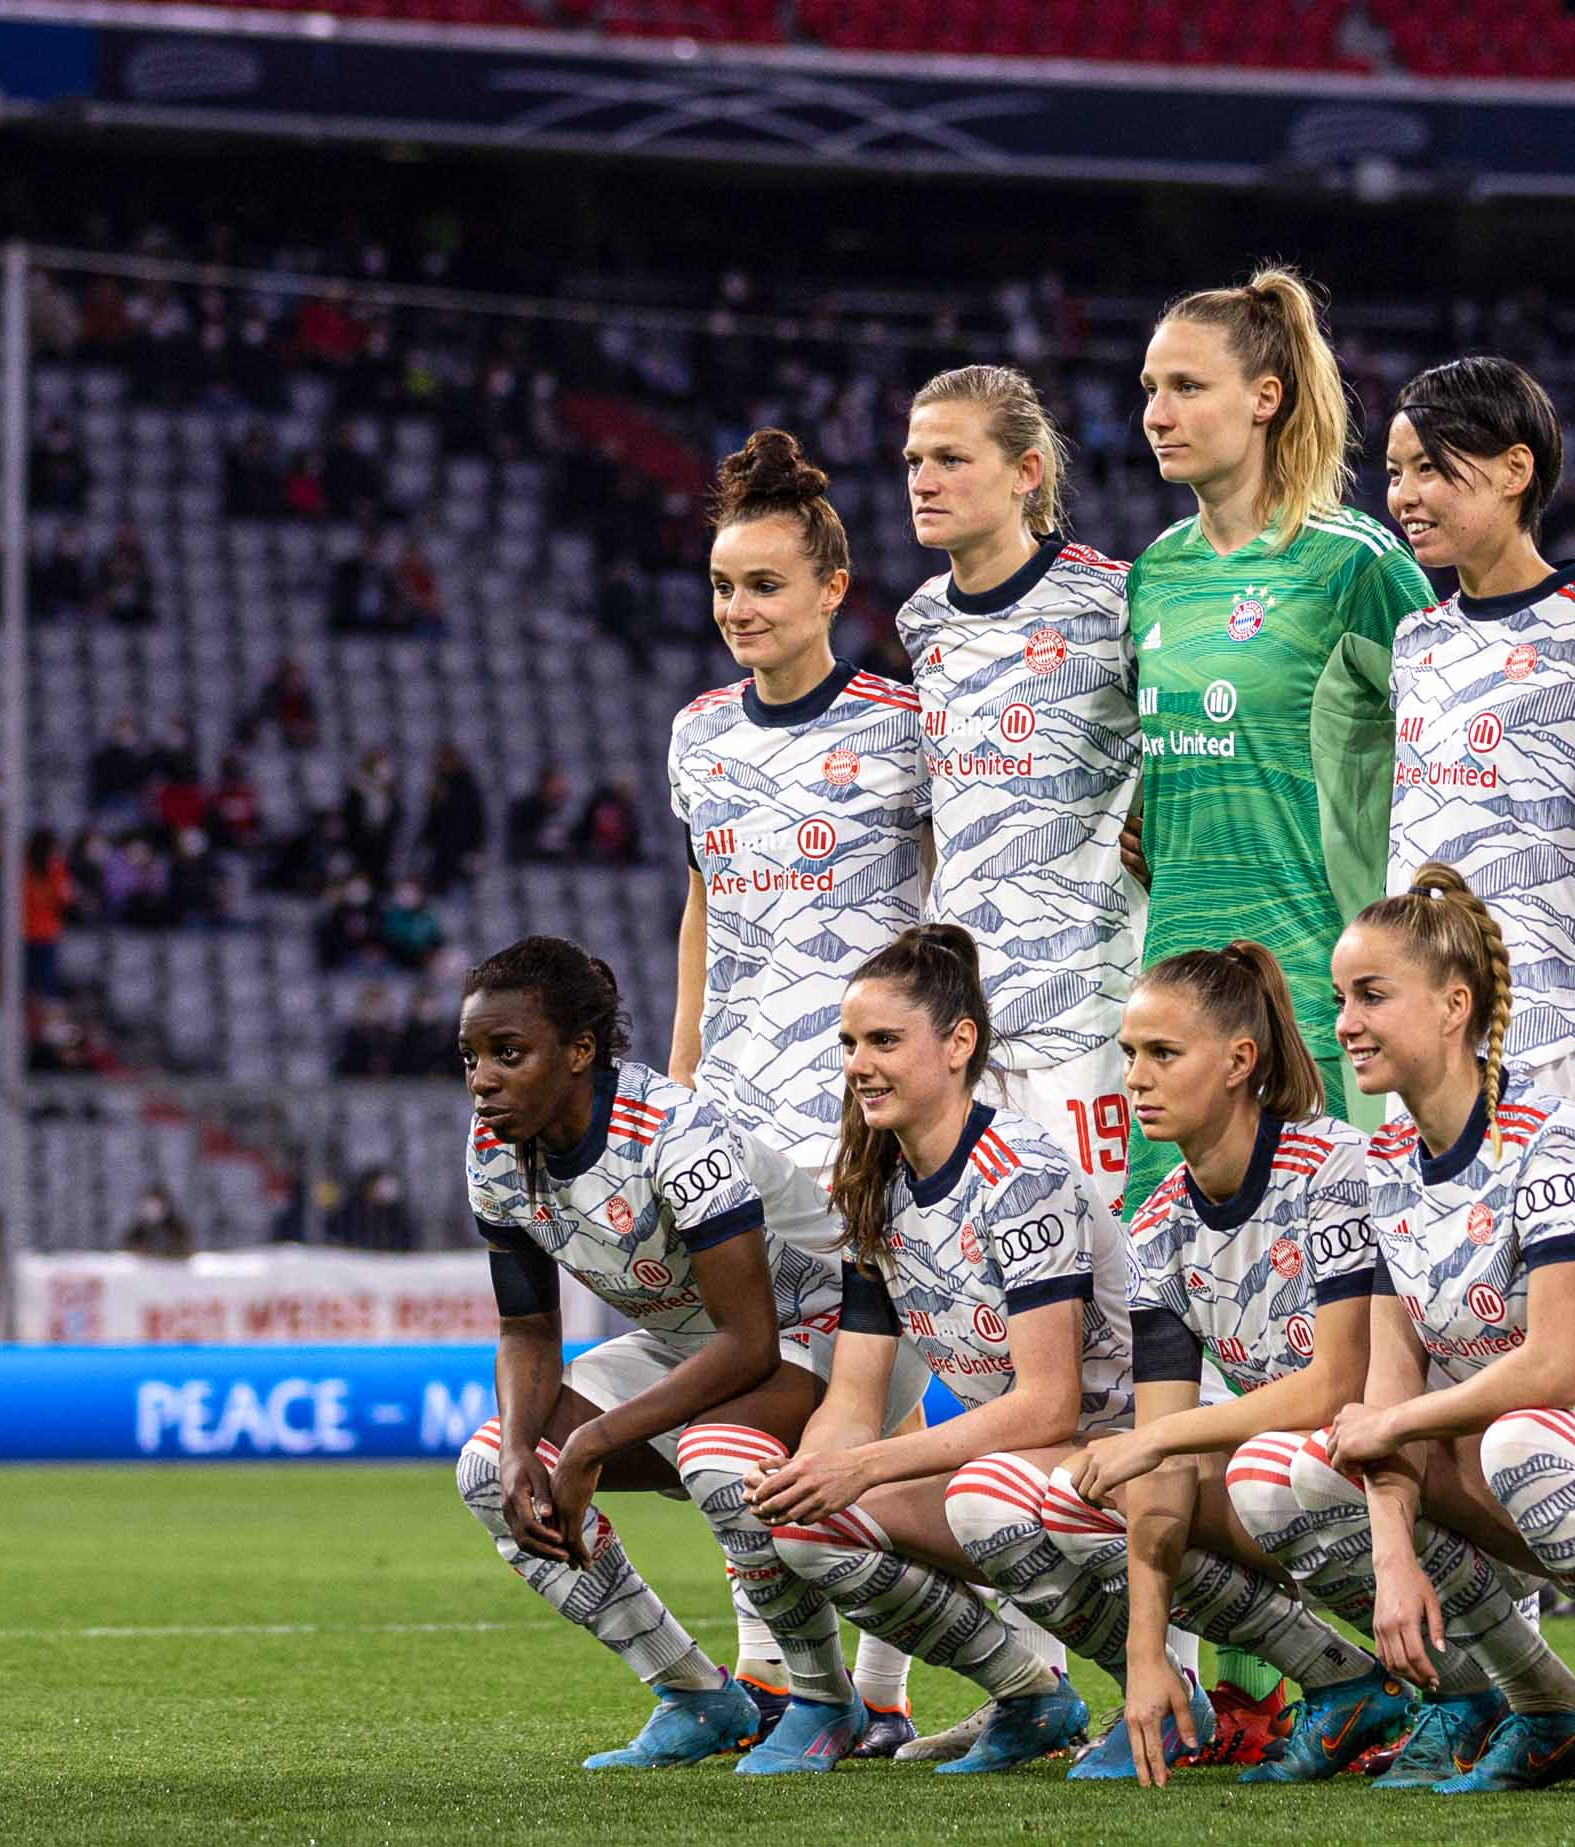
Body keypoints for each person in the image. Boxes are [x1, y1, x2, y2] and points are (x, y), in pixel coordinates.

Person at [967, 940, 1411, 1786]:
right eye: (1131, 1053)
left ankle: (1508, 1697)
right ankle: (1346, 1683)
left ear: (1241, 1060)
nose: (1136, 1076)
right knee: (1080, 1496)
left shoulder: (1335, 1167)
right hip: (1315, 1474)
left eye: (1163, 1053)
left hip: (1417, 1461)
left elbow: (1339, 1386)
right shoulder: (1158, 1225)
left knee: (1274, 1470)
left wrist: (1158, 1441)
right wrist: (1146, 1655)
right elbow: (1162, 1450)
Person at [1242, 865, 1575, 1794]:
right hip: (1519, 1447)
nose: (1344, 1023)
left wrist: (1402, 1424)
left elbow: (1556, 1364)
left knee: (1520, 1438)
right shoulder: (1384, 1160)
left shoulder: (1550, 1138)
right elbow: (1388, 1387)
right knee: (1295, 1470)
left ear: (1455, 1004)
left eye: (1373, 995)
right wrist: (1390, 1560)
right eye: (1341, 998)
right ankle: (1544, 1707)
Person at [663, 426, 937, 1752]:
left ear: (834, 590)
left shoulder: (903, 729)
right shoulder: (697, 736)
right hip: (735, 1114)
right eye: (723, 587)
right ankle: (773, 1674)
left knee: (878, 1393)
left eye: (764, 585)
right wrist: (678, 1077)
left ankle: (880, 1691)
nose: (737, 610)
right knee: (751, 1390)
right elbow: (706, 905)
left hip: (865, 1109)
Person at [447, 935, 871, 1773]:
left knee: (723, 1463)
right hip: (694, 1342)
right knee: (490, 1470)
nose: (482, 1078)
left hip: (834, 1329)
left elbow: (750, 1341)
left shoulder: (676, 1129)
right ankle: (698, 1696)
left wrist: (592, 1442)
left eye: (507, 1052)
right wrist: (528, 1445)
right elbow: (528, 1329)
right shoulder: (492, 1147)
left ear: (580, 1052)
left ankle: (826, 1701)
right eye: (470, 1056)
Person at [745, 925, 1130, 1776]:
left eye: (884, 1040)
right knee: (813, 1530)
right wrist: (807, 1474)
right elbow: (852, 1395)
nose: (859, 1063)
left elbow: (1047, 1405)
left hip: (1123, 1458)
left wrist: (870, 1464)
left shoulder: (1020, 1173)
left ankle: (1160, 1688)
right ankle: (1030, 1696)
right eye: (850, 1042)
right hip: (1028, 1469)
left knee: (983, 1497)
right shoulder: (876, 1188)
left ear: (959, 1045)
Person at [1125, 267, 1437, 1207]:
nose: (1157, 413)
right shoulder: (1153, 576)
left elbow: (1454, 741)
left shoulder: (1356, 563)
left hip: (1312, 991)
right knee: (1171, 1300)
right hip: (1174, 995)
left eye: (1187, 387)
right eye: (1150, 389)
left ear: (1265, 398)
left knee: (1332, 1299)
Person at [1378, 356, 1575, 1193]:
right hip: (1424, 1043)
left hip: (1561, 1038)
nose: (1405, 497)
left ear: (1513, 469)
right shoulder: (1416, 641)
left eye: (1430, 468)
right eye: (1394, 474)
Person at [893, 365, 1144, 1218]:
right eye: (914, 460)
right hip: (965, 1025)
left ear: (1025, 471)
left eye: (952, 459)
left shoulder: (1114, 601)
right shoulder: (921, 620)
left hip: (1092, 1018)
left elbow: (1186, 749)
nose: (924, 481)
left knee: (1108, 1299)